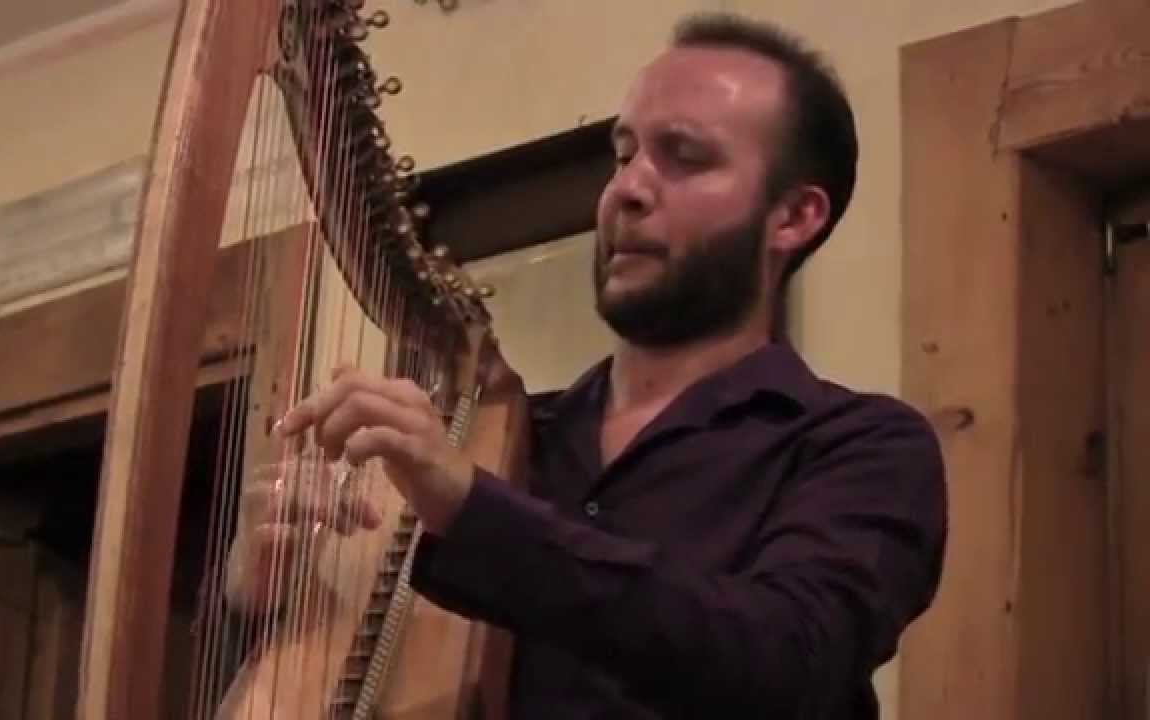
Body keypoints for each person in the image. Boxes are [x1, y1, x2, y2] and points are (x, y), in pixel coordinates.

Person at [274, 11, 947, 719]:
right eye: (624, 154)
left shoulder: (863, 447)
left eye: (684, 157)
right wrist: (274, 578)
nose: (625, 189)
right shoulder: (516, 440)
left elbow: (788, 660)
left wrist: (474, 510)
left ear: (794, 218)